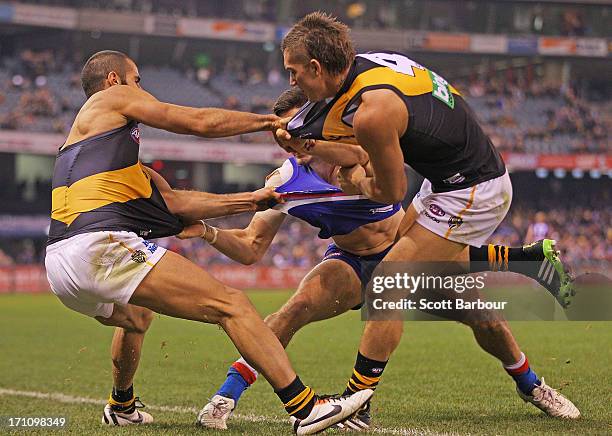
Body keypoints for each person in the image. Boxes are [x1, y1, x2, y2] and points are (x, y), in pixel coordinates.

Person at [44, 50, 371, 434]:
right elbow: (196, 121)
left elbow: (179, 204)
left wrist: (250, 199)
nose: (141, 89)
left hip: (60, 264)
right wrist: (269, 121)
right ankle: (306, 408)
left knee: (137, 317)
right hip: (97, 245)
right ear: (114, 80)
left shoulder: (108, 160)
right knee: (231, 304)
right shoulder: (109, 98)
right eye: (137, 80)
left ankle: (121, 405)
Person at [277, 13, 579, 421]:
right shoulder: (367, 66)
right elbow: (366, 143)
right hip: (444, 180)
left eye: (293, 72)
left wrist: (357, 185)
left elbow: (388, 191)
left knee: (388, 282)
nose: (292, 82)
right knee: (469, 305)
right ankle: (531, 365)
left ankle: (356, 406)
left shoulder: (371, 111)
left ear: (317, 67)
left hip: (473, 190)